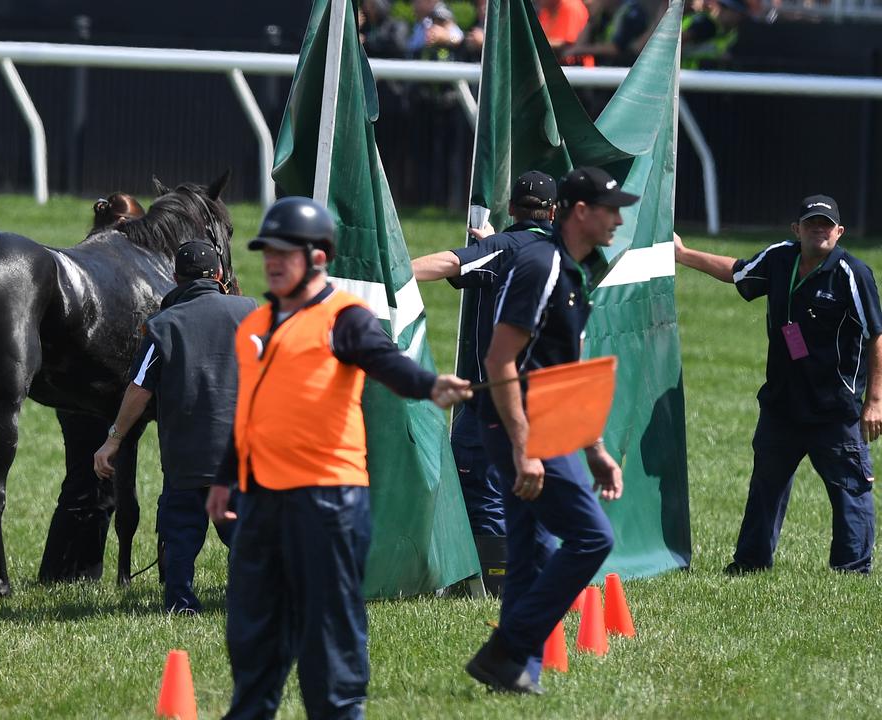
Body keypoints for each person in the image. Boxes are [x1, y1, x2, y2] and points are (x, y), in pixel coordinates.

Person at [206, 196, 472, 718]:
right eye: (268, 252)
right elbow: (250, 414)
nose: (274, 261)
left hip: (328, 503)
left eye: (287, 252)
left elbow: (386, 362)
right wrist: (223, 479)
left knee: (329, 635)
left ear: (320, 258)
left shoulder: (344, 320)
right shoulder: (252, 327)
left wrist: (429, 385)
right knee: (252, 629)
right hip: (261, 501)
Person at [465, 167, 631, 695]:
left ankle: (516, 672)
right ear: (580, 211)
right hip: (520, 427)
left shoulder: (576, 268)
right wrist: (524, 450)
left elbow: (565, 370)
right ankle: (508, 646)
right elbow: (499, 360)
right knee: (591, 536)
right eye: (610, 210)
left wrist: (595, 447)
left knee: (532, 549)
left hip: (547, 425)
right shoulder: (540, 266)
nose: (619, 219)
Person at [675, 196, 880, 575]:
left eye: (826, 224)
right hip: (783, 405)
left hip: (834, 408)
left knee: (850, 490)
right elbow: (737, 272)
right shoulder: (780, 258)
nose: (819, 230)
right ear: (796, 229)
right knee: (766, 487)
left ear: (839, 232)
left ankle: (852, 569)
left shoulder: (853, 274)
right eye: (811, 223)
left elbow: (876, 337)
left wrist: (876, 401)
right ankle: (751, 562)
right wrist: (684, 254)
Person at [411, 170, 558, 595]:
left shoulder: (505, 249)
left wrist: (395, 272)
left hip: (494, 397)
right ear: (553, 212)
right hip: (548, 396)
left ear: (512, 208)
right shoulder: (560, 253)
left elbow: (449, 264)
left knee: (482, 487)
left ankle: (494, 585)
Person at [92, 241, 257, 613]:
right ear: (218, 276)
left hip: (186, 459)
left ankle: (180, 601)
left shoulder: (163, 326)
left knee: (181, 535)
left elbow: (139, 389)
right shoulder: (251, 313)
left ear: (175, 278)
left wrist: (113, 440)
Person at [39, 191, 147, 584]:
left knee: (79, 479)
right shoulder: (116, 266)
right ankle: (76, 574)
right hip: (99, 392)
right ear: (124, 227)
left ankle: (61, 572)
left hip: (66, 388)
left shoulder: (86, 254)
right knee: (98, 484)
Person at [562, 0, 650, 67]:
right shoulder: (602, 14)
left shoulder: (631, 12)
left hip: (623, 73)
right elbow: (579, 44)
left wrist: (581, 50)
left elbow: (616, 49)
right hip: (600, 74)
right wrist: (591, 19)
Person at [681, 0, 748, 70]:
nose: (737, 17)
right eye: (725, 7)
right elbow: (678, 42)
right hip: (687, 74)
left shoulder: (732, 33)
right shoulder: (706, 24)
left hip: (704, 75)